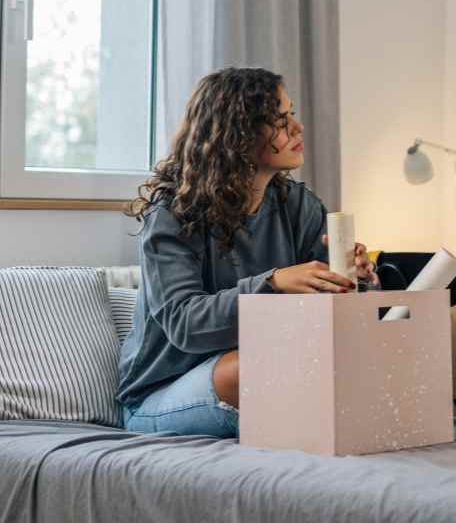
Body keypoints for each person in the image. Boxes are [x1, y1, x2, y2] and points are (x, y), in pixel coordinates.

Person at [117, 66, 377, 437]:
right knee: (255, 367)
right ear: (237, 133)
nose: (297, 129)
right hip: (160, 395)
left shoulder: (298, 206)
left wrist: (353, 278)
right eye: (279, 119)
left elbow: (332, 318)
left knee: (330, 360)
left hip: (273, 367)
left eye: (292, 114)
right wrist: (273, 284)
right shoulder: (172, 215)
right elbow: (184, 323)